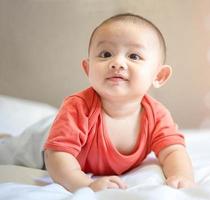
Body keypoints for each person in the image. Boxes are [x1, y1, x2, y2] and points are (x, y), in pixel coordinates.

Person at [43, 13, 194, 192]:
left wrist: (181, 177)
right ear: (88, 68)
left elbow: (172, 151)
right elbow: (56, 155)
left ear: (158, 76)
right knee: (10, 149)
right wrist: (86, 185)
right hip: (43, 140)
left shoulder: (157, 115)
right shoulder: (78, 108)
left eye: (134, 56)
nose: (117, 63)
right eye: (106, 54)